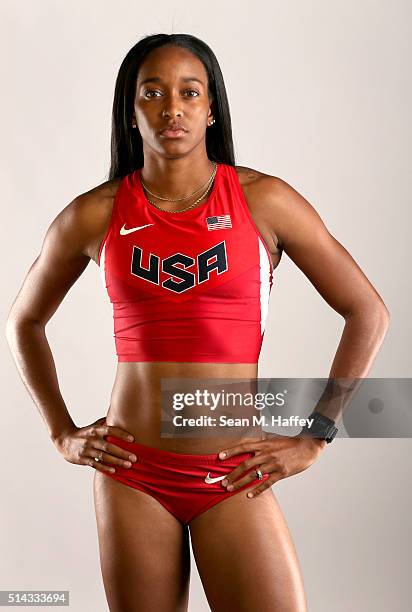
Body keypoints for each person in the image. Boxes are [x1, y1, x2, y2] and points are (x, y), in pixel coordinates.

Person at [6, 33, 390, 612]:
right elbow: (24, 322)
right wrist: (61, 432)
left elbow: (367, 311)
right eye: (152, 93)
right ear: (131, 112)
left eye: (190, 92)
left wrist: (316, 435)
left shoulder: (265, 201)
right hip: (133, 473)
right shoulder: (96, 213)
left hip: (233, 472)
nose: (172, 109)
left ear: (211, 108)